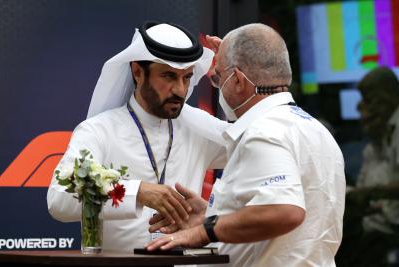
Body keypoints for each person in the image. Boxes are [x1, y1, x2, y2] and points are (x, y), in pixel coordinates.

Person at [146, 23, 346, 267]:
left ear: (238, 80)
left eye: (219, 78)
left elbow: (284, 211)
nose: (218, 86)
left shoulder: (264, 132)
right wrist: (213, 217)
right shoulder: (314, 128)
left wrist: (203, 232)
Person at [47, 21, 227, 252]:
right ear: (137, 72)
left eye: (187, 77)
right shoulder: (99, 130)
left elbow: (261, 144)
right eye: (169, 76)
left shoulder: (199, 126)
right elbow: (59, 201)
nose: (181, 90)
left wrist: (236, 72)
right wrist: (137, 192)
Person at [337, 67, 399, 267]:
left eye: (371, 100)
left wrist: (368, 193)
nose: (364, 108)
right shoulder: (375, 144)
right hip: (375, 225)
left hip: (388, 234)